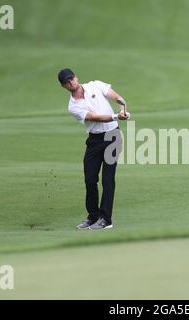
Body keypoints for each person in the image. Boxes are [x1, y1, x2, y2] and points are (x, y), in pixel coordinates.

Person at [58, 68, 130, 230]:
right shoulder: (73, 107)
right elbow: (94, 117)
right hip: (94, 140)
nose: (71, 83)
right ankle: (93, 216)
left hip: (113, 136)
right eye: (67, 82)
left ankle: (106, 219)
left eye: (72, 79)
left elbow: (112, 94)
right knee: (90, 179)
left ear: (76, 77)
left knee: (107, 179)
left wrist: (121, 103)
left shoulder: (95, 85)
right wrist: (115, 116)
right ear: (63, 86)